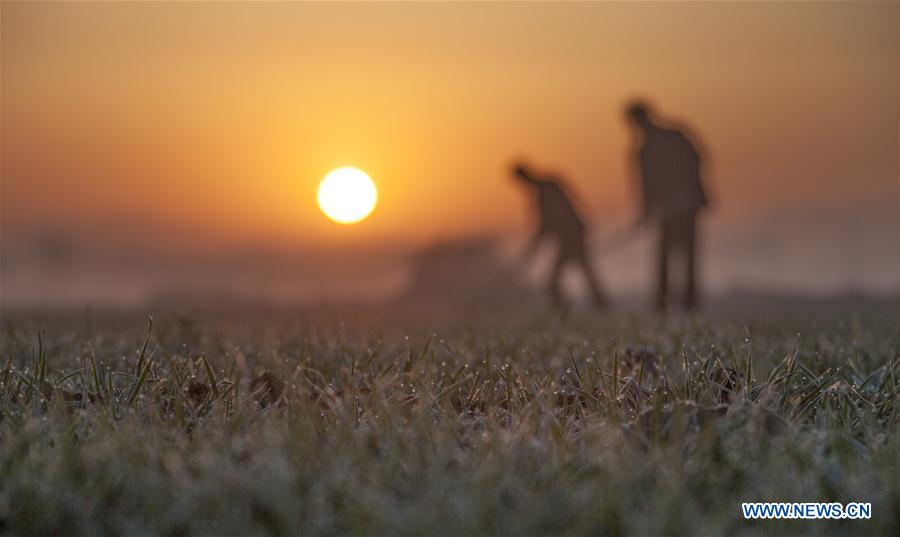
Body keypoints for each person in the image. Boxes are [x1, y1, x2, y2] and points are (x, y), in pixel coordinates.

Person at [625, 100, 709, 310]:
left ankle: (688, 302)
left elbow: (696, 159)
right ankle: (662, 302)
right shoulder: (644, 150)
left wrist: (683, 190)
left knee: (686, 254)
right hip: (670, 210)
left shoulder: (673, 137)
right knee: (666, 255)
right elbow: (644, 185)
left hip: (686, 205)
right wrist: (646, 210)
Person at [511, 162, 607, 309]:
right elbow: (546, 225)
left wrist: (533, 249)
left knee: (555, 279)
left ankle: (564, 310)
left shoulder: (546, 190)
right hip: (571, 236)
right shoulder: (546, 189)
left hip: (571, 237)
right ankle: (600, 304)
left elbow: (547, 224)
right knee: (585, 271)